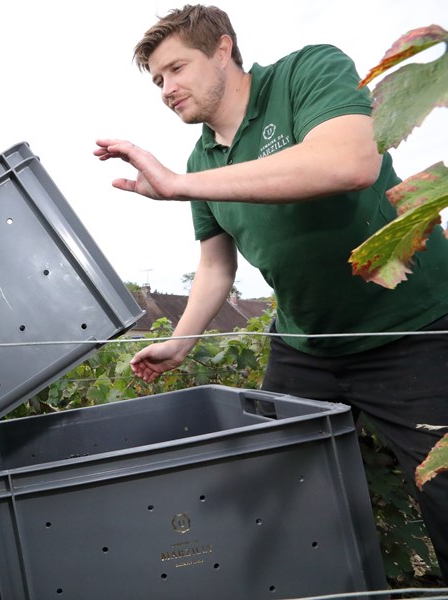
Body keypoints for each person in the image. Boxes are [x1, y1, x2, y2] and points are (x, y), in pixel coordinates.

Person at [94, 4, 448, 582]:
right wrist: (180, 343)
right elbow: (215, 266)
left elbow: (351, 161)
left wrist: (180, 186)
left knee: (443, 490)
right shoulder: (201, 159)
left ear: (223, 49)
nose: (166, 88)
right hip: (307, 347)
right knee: (281, 496)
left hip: (413, 327)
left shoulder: (307, 72)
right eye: (157, 80)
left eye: (177, 69)